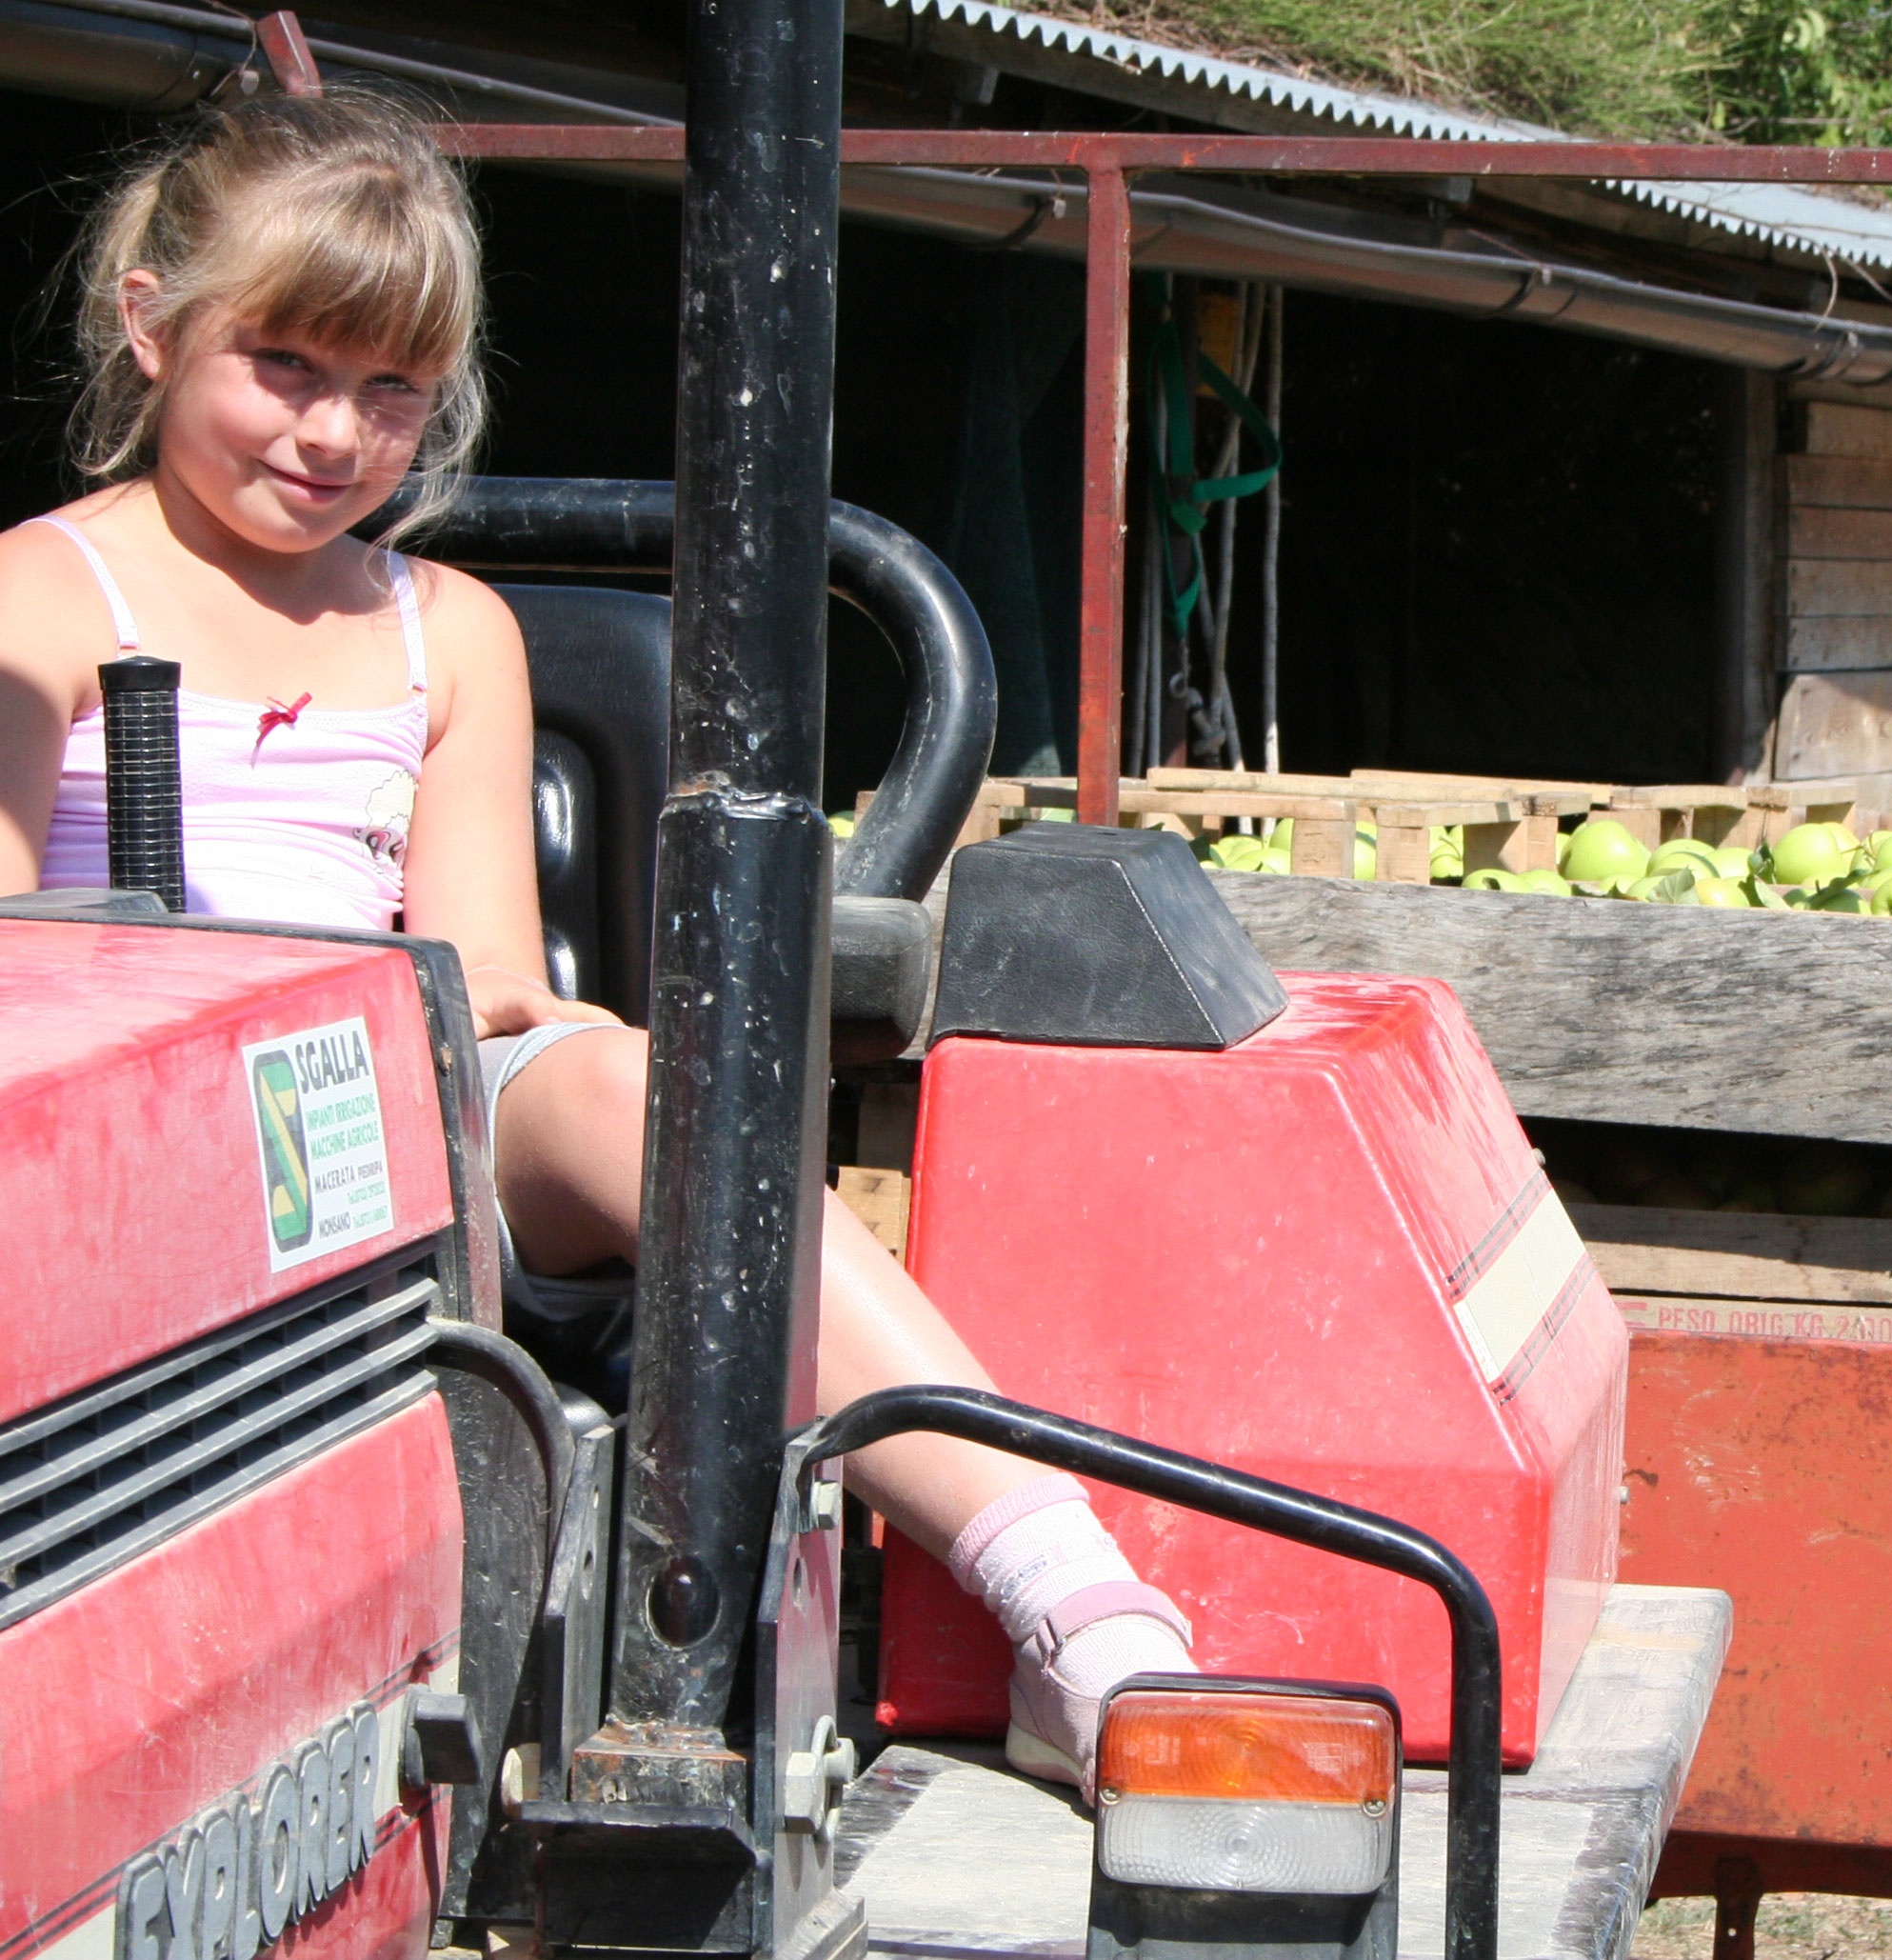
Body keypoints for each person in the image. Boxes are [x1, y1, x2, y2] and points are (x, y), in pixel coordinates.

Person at [0, 87, 1191, 1790]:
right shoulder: (40, 602)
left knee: (636, 1079)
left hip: (380, 1122)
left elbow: (481, 978)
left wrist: (403, 1052)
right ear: (151, 324)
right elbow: (24, 973)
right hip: (127, 1141)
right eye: (285, 364)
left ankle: (1063, 1590)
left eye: (389, 388)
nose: (336, 432)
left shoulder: (448, 630)